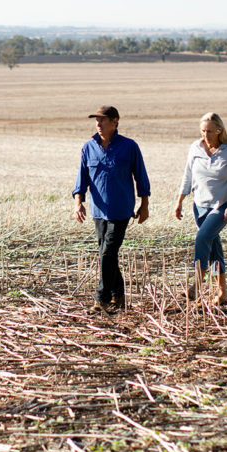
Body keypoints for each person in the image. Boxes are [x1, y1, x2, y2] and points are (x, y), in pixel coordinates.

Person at [73, 105, 151, 313]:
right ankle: (119, 294)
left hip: (121, 209)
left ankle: (102, 297)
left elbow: (141, 176)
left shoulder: (129, 146)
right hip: (98, 210)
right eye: (96, 120)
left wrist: (145, 204)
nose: (98, 124)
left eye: (103, 120)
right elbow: (81, 178)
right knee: (107, 253)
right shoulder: (89, 147)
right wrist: (78, 202)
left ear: (115, 121)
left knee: (107, 253)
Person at [173, 112, 227, 305]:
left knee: (202, 238)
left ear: (219, 131)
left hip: (221, 206)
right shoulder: (195, 148)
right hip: (200, 206)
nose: (205, 135)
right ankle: (223, 292)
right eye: (203, 131)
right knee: (214, 249)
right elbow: (187, 176)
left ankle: (196, 283)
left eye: (210, 131)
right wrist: (180, 201)